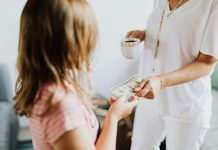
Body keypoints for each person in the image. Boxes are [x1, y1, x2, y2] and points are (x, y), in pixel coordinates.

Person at [14, 0, 138, 150]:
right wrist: (113, 118)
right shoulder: (59, 104)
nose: (90, 46)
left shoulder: (44, 83)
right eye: (85, 37)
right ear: (65, 42)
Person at [126, 0, 218, 149]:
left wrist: (161, 81)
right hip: (150, 97)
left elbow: (206, 63)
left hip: (186, 104)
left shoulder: (212, 4)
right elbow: (171, 27)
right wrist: (145, 34)